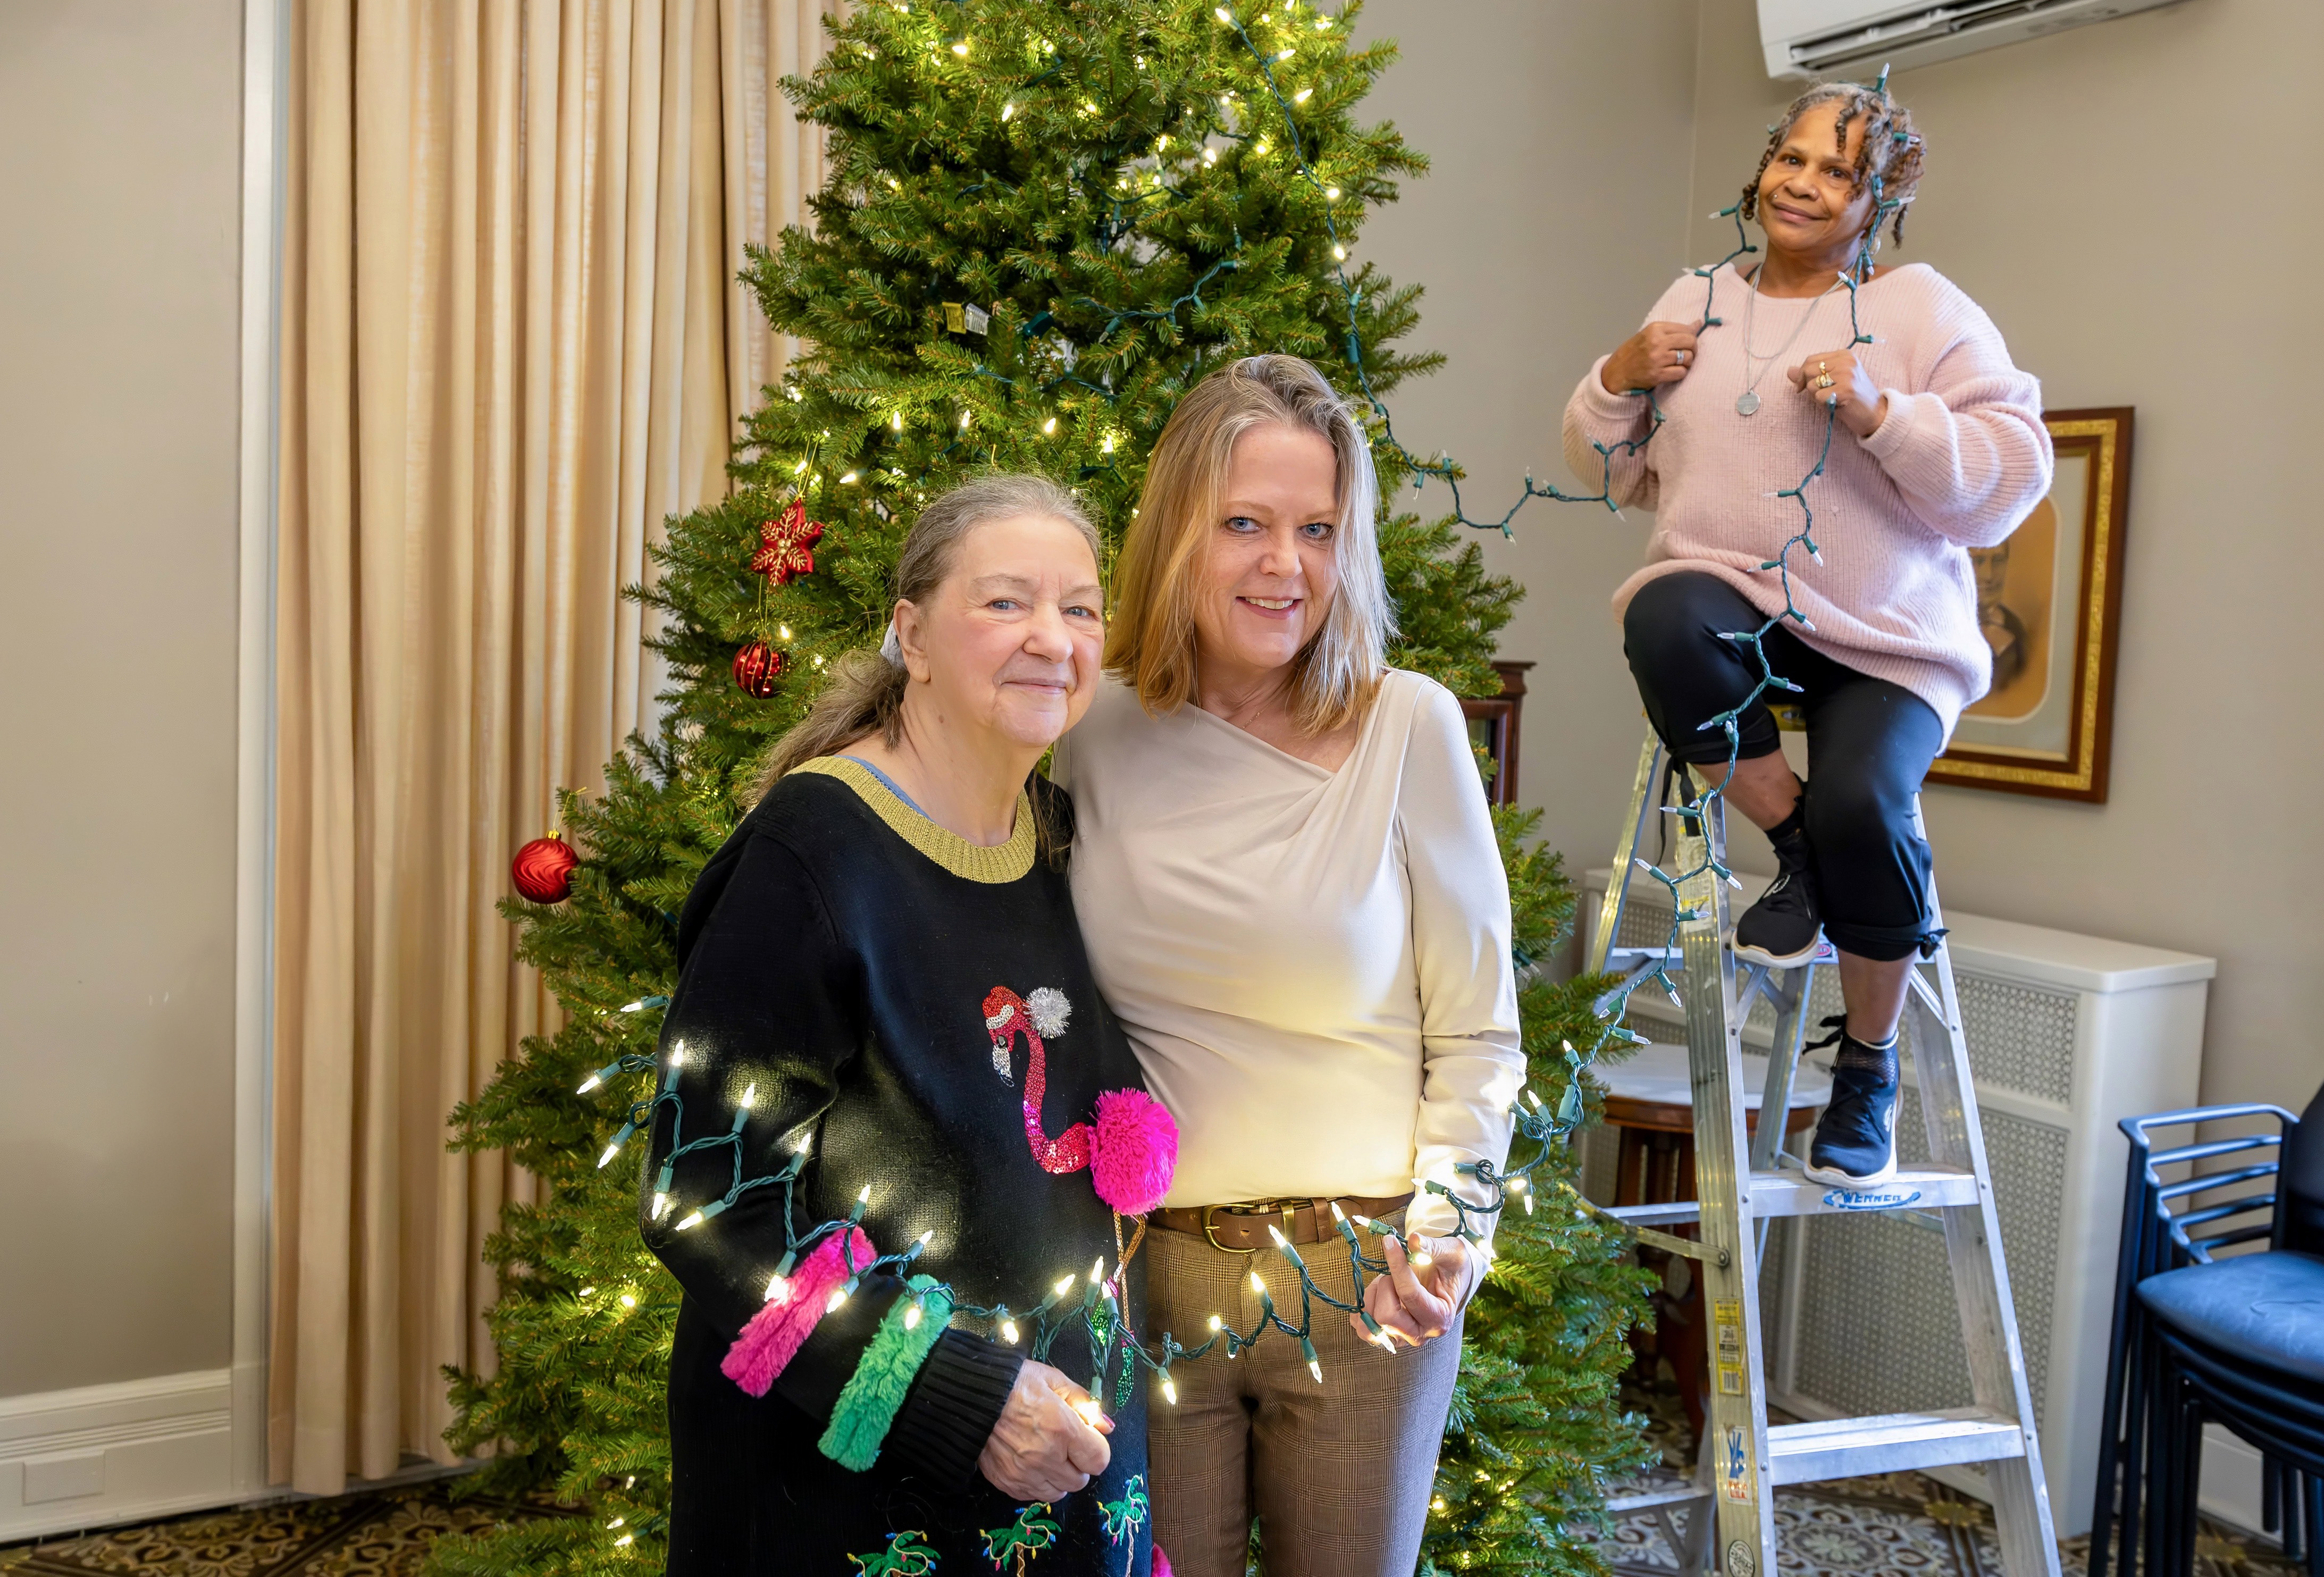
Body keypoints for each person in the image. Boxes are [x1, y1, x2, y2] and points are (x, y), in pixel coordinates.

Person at [642, 475, 1176, 1575]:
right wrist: (961, 1395)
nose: (1053, 638)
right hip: (844, 1498)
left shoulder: (1061, 840)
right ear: (913, 635)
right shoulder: (810, 855)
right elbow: (710, 1198)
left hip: (1059, 1477)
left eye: (1080, 608)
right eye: (1006, 601)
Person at [1053, 355, 1526, 1577]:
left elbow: (1478, 1034)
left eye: (1318, 530)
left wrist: (1454, 1233)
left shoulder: (1409, 725)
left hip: (1368, 1286)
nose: (1286, 566)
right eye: (1246, 525)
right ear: (1177, 533)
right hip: (1148, 1282)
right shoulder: (1089, 729)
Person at [1562, 81, 2052, 1187]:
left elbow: (2013, 478)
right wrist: (1613, 382)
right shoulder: (1696, 300)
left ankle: (1868, 1070)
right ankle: (1801, 853)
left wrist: (1885, 415)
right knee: (1662, 614)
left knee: (1865, 805)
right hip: (1738, 603)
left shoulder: (1920, 308)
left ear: (1878, 203)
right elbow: (1612, 472)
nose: (1805, 184)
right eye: (1793, 158)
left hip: (1888, 636)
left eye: (1839, 172)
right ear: (1763, 168)